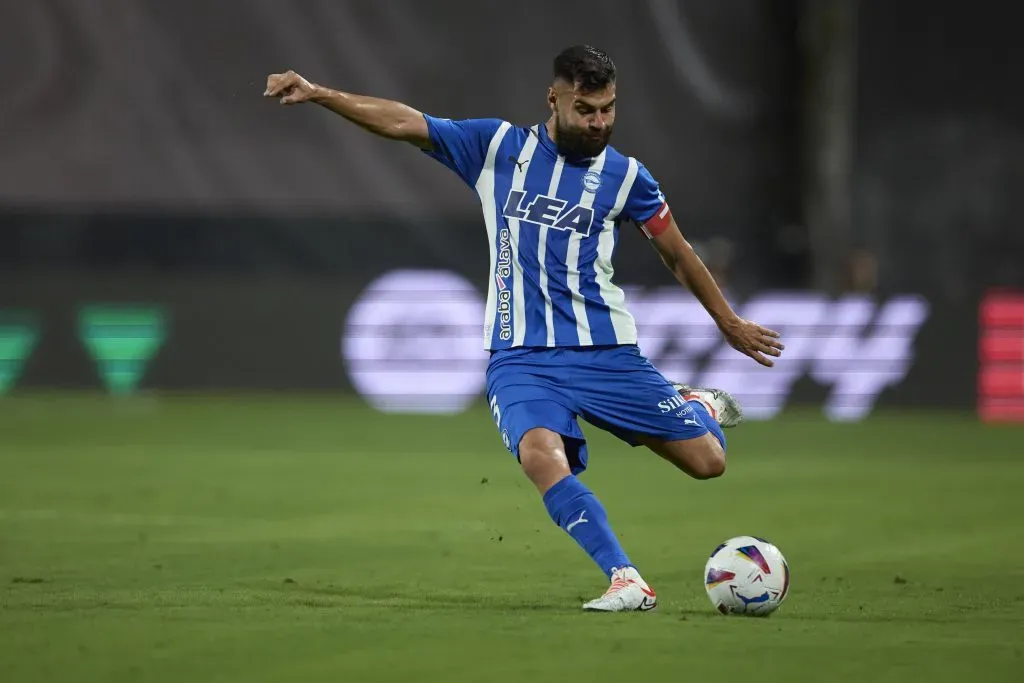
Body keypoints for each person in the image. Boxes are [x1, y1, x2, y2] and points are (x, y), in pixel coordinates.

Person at [264, 45, 784, 612]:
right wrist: (321, 95)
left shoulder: (627, 176)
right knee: (540, 455)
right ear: (554, 99)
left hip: (605, 350)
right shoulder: (496, 149)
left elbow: (677, 253)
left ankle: (699, 407)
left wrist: (728, 323)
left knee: (708, 463)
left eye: (609, 109)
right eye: (586, 110)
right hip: (520, 355)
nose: (600, 122)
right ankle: (625, 578)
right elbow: (405, 121)